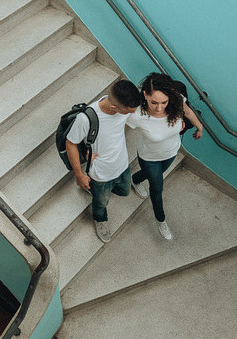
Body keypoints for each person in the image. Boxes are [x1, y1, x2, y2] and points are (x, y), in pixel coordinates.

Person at [126, 73, 203, 240]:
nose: (159, 108)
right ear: (145, 95)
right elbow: (118, 129)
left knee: (151, 177)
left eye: (164, 102)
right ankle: (161, 220)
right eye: (154, 102)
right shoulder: (137, 115)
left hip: (171, 151)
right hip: (149, 158)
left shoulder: (176, 100)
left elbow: (188, 112)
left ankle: (135, 179)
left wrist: (199, 127)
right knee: (157, 187)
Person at [65, 79, 143, 243]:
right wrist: (79, 174)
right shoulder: (86, 118)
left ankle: (94, 189)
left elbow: (119, 127)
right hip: (101, 173)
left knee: (124, 191)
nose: (132, 113)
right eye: (128, 111)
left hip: (122, 164)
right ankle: (100, 219)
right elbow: (71, 143)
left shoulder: (121, 106)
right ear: (115, 107)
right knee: (101, 202)